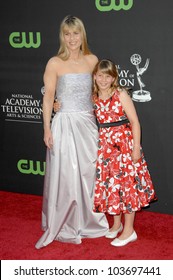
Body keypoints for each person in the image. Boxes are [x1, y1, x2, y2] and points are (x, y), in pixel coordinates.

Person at [35, 15, 108, 249]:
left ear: (82, 34)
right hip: (64, 124)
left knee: (89, 174)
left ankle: (90, 219)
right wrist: (47, 127)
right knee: (65, 176)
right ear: (62, 36)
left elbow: (100, 93)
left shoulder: (92, 60)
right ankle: (64, 221)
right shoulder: (54, 63)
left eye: (76, 33)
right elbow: (48, 98)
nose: (72, 38)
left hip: (87, 124)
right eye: (67, 34)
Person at [92, 59, 157, 247]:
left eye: (108, 76)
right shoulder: (94, 96)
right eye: (100, 75)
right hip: (106, 149)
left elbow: (135, 122)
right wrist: (57, 104)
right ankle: (117, 225)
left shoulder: (120, 94)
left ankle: (129, 231)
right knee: (113, 186)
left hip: (124, 146)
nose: (104, 79)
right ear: (94, 76)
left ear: (114, 77)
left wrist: (136, 147)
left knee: (127, 187)